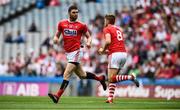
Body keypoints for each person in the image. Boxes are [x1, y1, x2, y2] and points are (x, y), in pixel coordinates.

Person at [48, 5, 107, 103]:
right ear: (69, 13)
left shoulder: (81, 25)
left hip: (77, 51)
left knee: (66, 74)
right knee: (82, 75)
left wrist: (88, 42)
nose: (76, 14)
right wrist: (55, 39)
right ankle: (100, 78)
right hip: (68, 53)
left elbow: (89, 36)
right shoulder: (62, 23)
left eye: (77, 12)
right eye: (73, 12)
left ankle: (57, 96)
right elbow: (57, 35)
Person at [98, 14, 139, 104]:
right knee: (114, 78)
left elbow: (108, 41)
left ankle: (130, 77)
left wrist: (103, 49)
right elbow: (115, 45)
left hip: (115, 55)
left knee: (111, 78)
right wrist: (104, 51)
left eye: (105, 20)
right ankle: (110, 99)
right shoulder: (118, 29)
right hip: (123, 54)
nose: (104, 22)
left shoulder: (107, 29)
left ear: (108, 21)